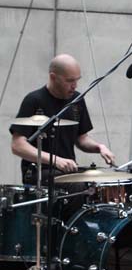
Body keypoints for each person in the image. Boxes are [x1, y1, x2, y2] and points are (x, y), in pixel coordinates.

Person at [10, 54, 115, 184]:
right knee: (76, 185)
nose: (75, 85)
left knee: (96, 182)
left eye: (77, 80)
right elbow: (17, 145)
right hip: (39, 172)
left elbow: (81, 139)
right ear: (53, 77)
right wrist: (55, 160)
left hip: (68, 171)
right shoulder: (34, 100)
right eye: (70, 81)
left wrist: (100, 147)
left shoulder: (77, 100)